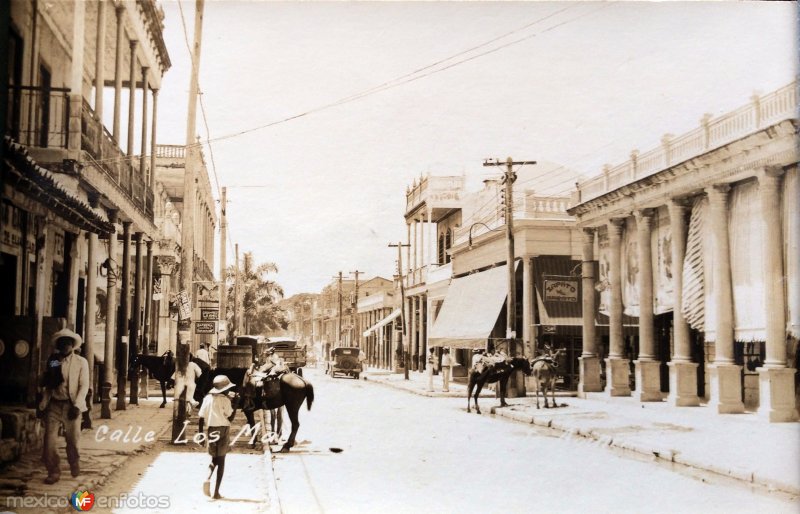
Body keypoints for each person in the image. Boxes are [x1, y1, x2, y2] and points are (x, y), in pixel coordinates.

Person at [39, 328, 90, 484]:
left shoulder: (81, 362)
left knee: (72, 441)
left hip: (71, 406)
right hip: (53, 405)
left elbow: (84, 386)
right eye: (62, 343)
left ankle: (74, 462)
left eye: (68, 343)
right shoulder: (53, 360)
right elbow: (47, 384)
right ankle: (53, 471)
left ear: (72, 345)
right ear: (58, 345)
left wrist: (77, 406)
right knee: (49, 442)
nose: (65, 345)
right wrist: (41, 404)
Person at [199, 375, 238, 500]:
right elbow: (230, 418)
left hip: (211, 430)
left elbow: (201, 418)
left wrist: (201, 435)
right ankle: (216, 492)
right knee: (221, 462)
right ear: (224, 390)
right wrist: (235, 404)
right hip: (223, 429)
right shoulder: (226, 400)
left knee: (213, 459)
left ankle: (207, 477)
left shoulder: (207, 399)